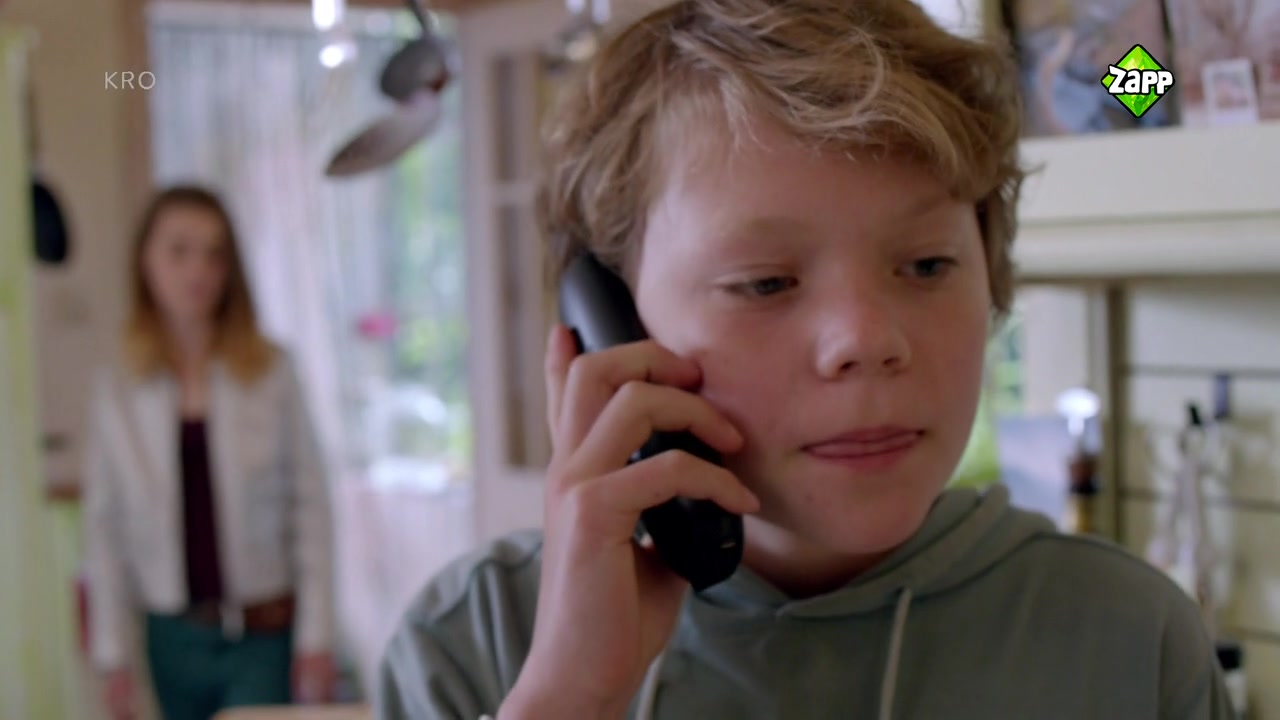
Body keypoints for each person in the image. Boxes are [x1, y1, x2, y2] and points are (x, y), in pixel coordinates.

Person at [376, 1, 1234, 718]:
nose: (866, 340)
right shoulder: (473, 643)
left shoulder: (1132, 642)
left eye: (926, 266)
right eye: (765, 283)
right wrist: (567, 700)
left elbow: (1141, 80)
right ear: (612, 326)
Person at [83, 185, 338, 720]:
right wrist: (113, 656)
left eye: (214, 253)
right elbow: (104, 529)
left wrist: (317, 637)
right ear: (146, 261)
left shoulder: (271, 372)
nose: (197, 270)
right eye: (179, 251)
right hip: (171, 637)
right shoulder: (120, 387)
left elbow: (311, 509)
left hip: (262, 632)